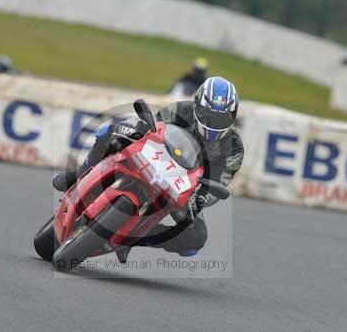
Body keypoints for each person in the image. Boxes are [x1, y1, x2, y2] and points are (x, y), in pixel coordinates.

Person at [53, 77, 244, 257]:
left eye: (221, 119)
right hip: (154, 158)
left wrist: (201, 199)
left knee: (195, 239)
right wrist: (136, 132)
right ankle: (80, 173)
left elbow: (220, 181)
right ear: (197, 108)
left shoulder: (234, 148)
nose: (213, 123)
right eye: (208, 116)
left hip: (185, 188)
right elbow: (153, 128)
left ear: (232, 117)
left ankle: (133, 238)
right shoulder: (180, 110)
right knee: (109, 131)